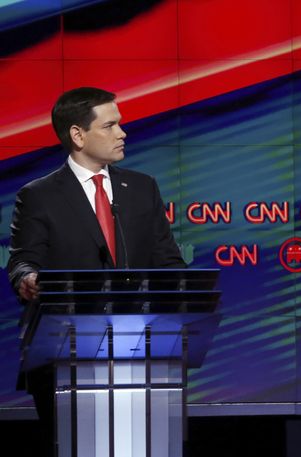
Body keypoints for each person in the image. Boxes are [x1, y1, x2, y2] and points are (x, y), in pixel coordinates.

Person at [7, 87, 185, 454]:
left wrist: (181, 295)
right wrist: (27, 280)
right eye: (111, 125)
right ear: (77, 135)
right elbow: (24, 260)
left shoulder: (140, 187)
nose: (123, 133)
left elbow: (168, 262)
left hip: (139, 350)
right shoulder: (38, 195)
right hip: (66, 352)